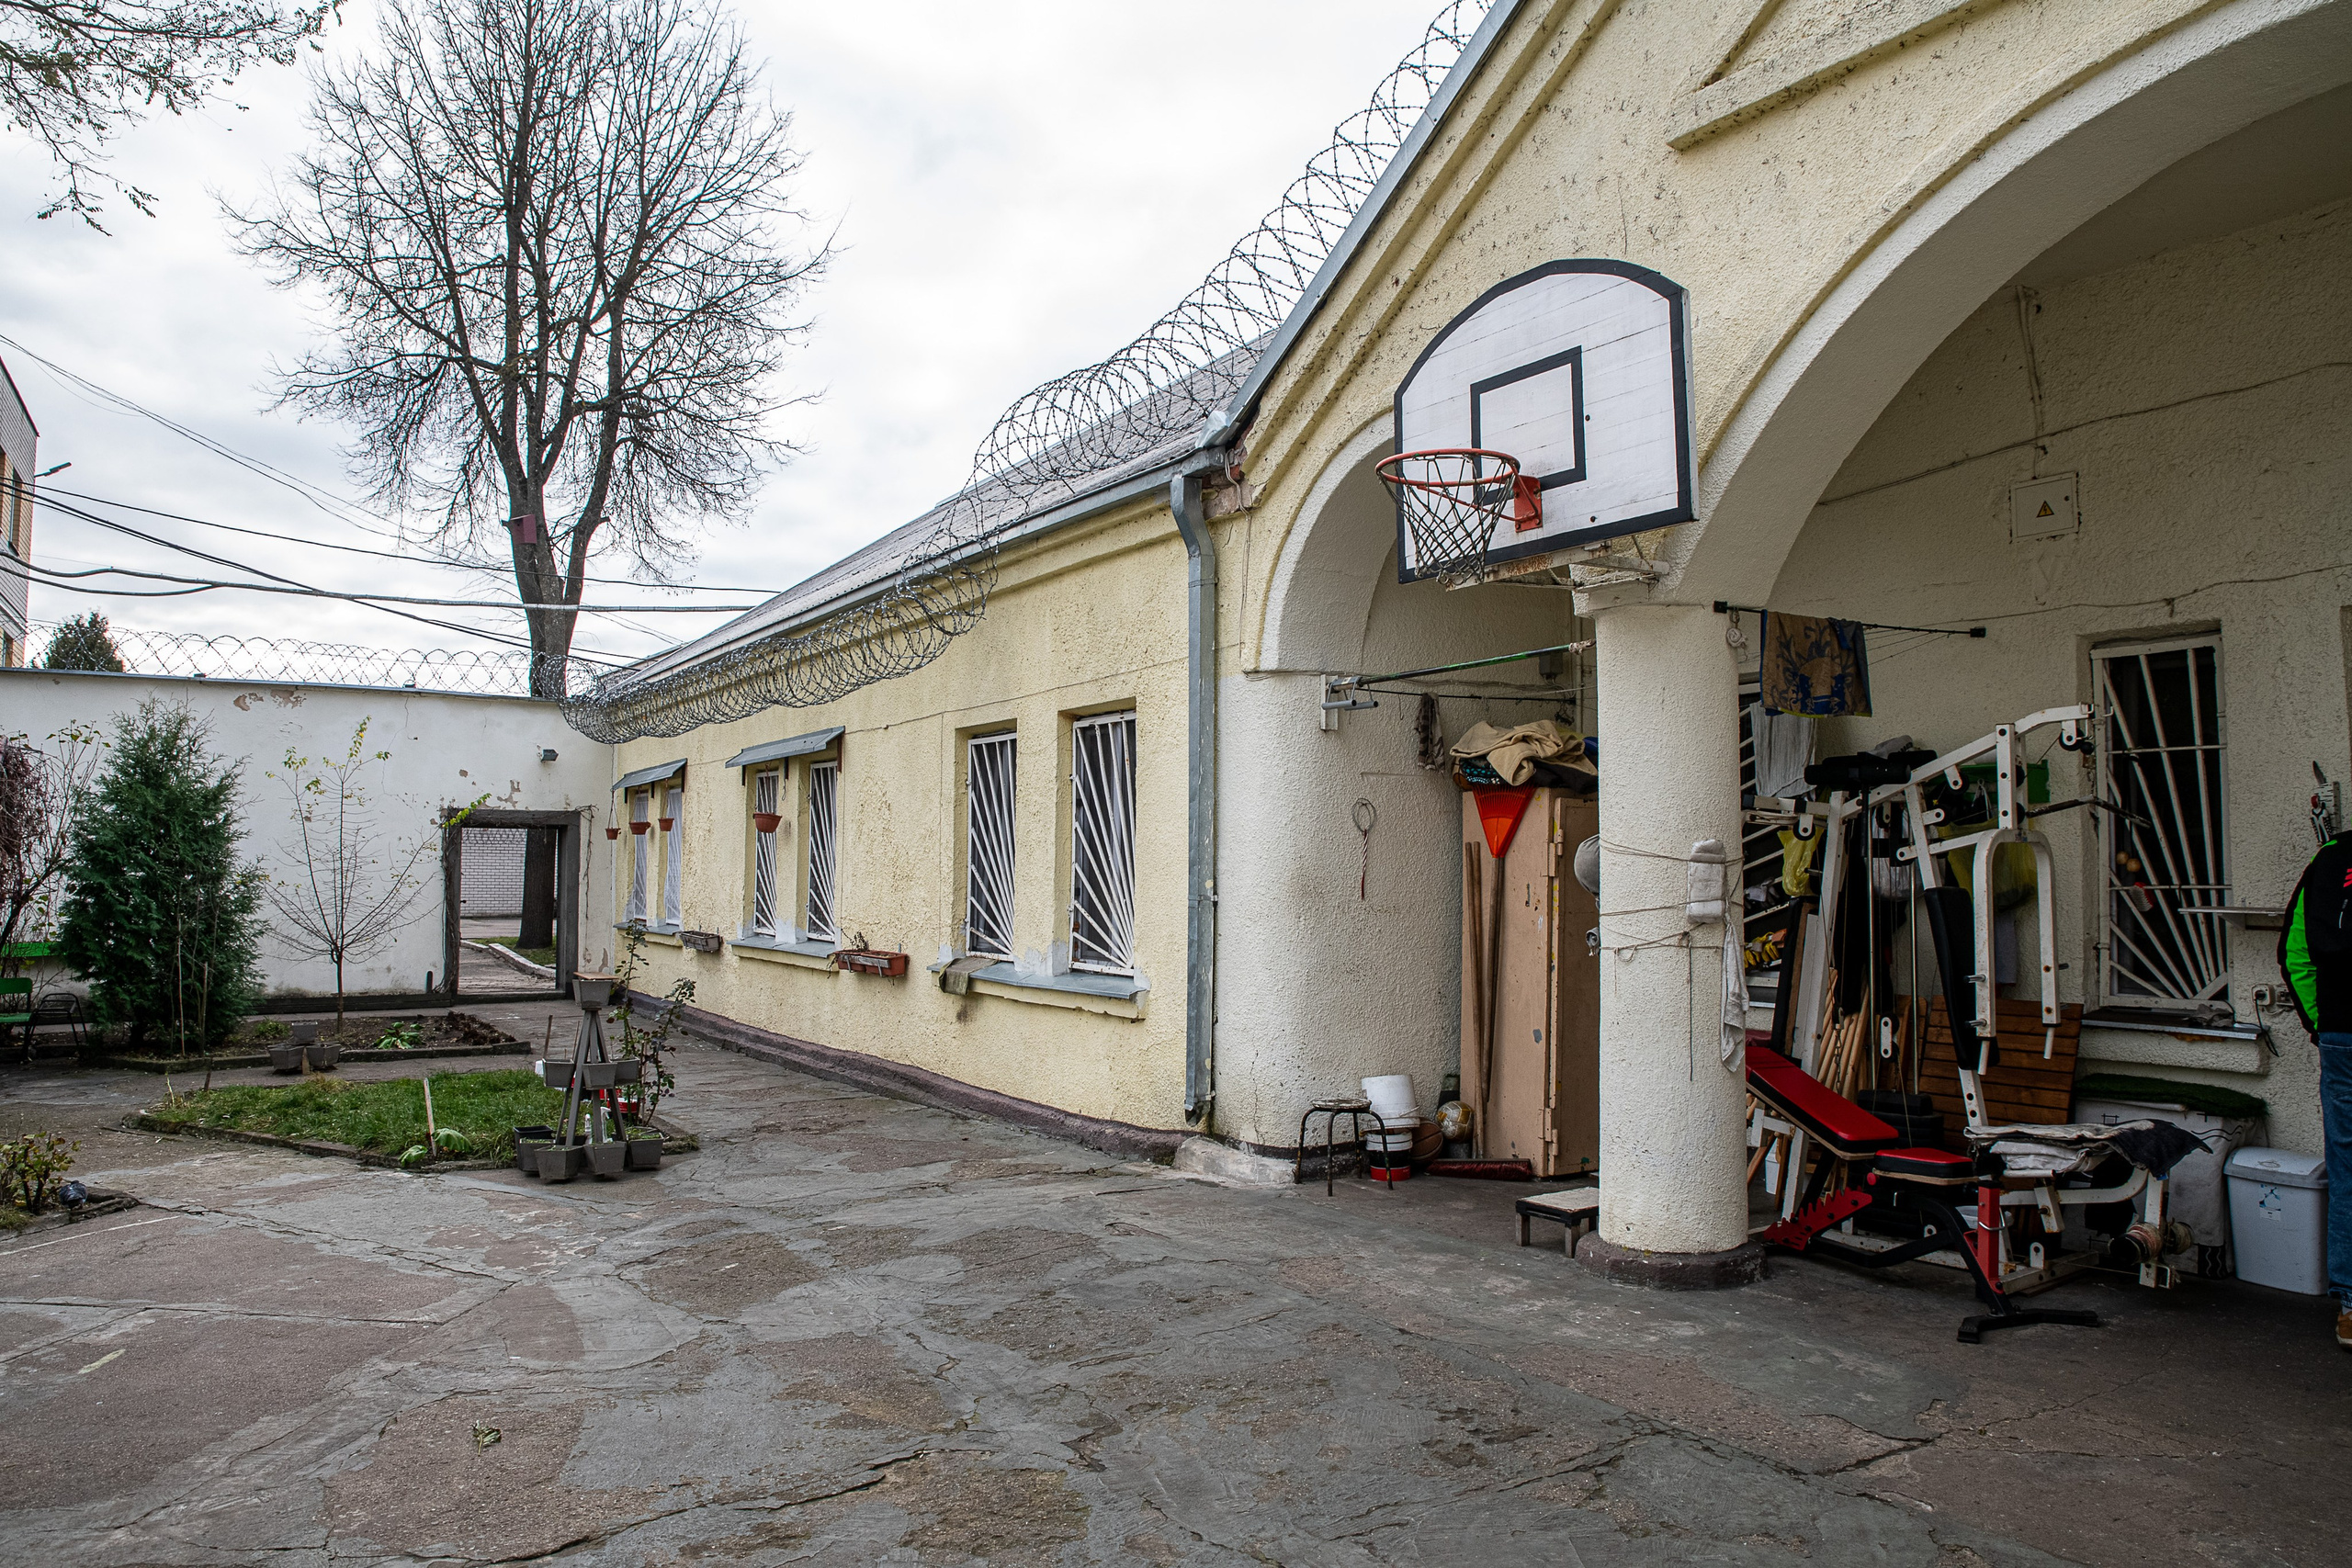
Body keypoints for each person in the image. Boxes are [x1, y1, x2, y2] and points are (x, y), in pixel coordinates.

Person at [2279, 828, 2352, 1348]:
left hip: (2344, 1034)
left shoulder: (2332, 859)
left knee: (2348, 1165)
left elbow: (2295, 953)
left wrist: (2320, 1027)